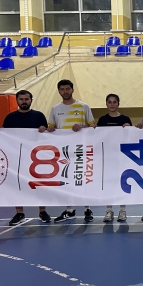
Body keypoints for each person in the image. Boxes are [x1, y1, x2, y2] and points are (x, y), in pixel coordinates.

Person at [0, 90, 51, 226]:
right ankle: (19, 213)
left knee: (39, 184)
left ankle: (42, 211)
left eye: (26, 99)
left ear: (31, 100)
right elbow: (4, 133)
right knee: (16, 185)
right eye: (21, 99)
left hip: (36, 157)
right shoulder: (10, 117)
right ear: (17, 101)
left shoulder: (39, 116)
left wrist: (44, 129)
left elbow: (47, 133)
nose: (24, 102)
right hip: (16, 156)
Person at [47, 79, 96, 224]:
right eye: (62, 89)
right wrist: (50, 129)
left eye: (68, 89)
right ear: (59, 91)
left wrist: (82, 127)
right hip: (64, 150)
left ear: (72, 90)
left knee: (83, 178)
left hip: (81, 149)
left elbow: (93, 127)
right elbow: (51, 127)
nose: (65, 91)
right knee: (67, 179)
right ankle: (70, 210)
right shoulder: (55, 109)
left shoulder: (83, 106)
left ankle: (87, 209)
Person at [97, 94, 133, 223]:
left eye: (114, 102)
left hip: (122, 156)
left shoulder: (125, 119)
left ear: (118, 104)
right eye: (109, 102)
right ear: (106, 104)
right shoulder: (102, 120)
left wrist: (129, 129)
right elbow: (97, 137)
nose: (112, 104)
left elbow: (131, 137)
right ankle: (109, 210)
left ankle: (122, 210)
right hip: (108, 157)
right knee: (109, 184)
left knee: (122, 183)